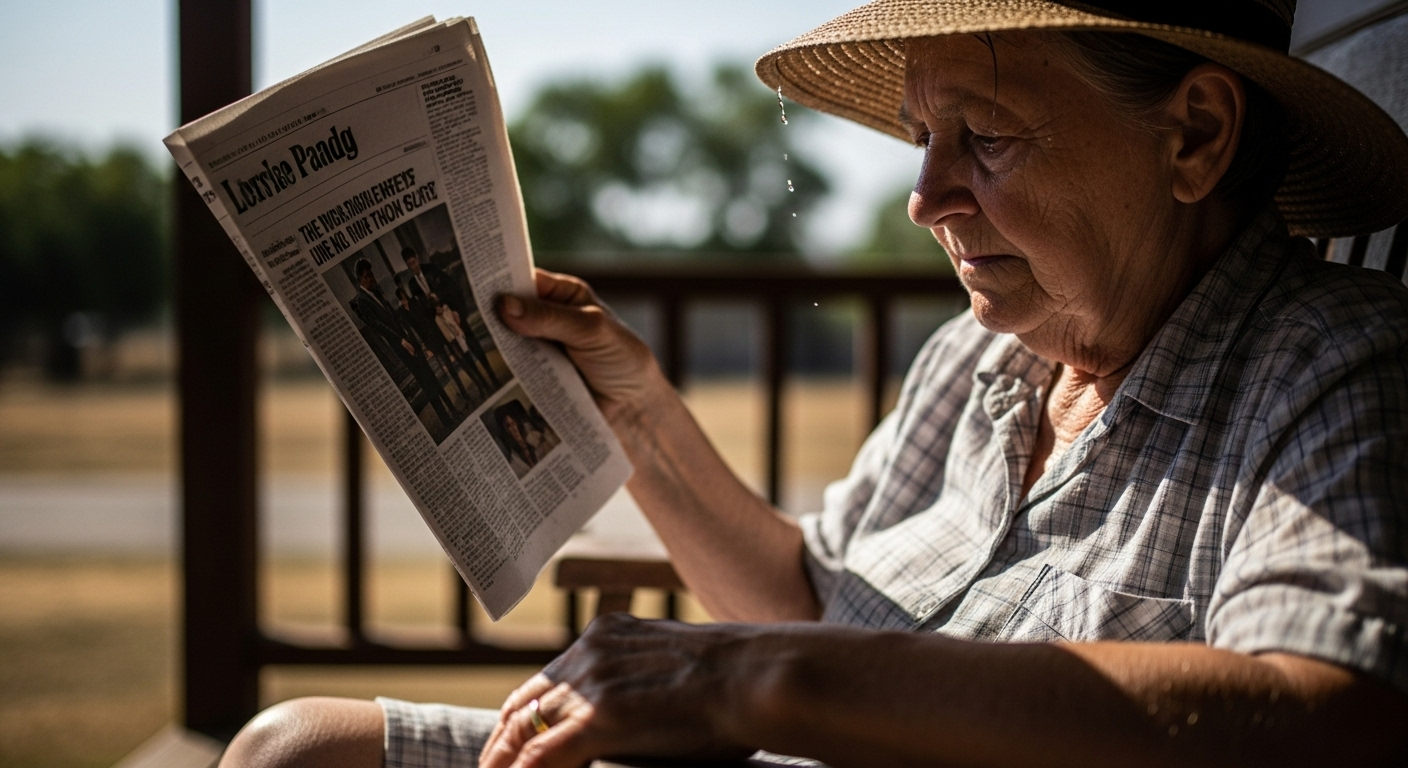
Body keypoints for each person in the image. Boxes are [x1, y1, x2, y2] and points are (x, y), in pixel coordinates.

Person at [221, 2, 1408, 766]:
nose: (924, 198)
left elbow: (1333, 710)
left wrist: (751, 678)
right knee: (296, 746)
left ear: (1193, 136)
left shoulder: (1333, 362)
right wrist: (634, 413)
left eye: (986, 138)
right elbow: (805, 597)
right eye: (922, 138)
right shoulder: (983, 360)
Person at [348, 258, 457, 429]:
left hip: (409, 339)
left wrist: (409, 333)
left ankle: (453, 410)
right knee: (426, 383)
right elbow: (378, 326)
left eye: (372, 274)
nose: (373, 278)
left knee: (432, 377)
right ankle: (446, 420)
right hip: (402, 346)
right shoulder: (362, 301)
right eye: (369, 275)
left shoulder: (376, 292)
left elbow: (393, 315)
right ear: (362, 278)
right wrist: (401, 340)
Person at [395, 287, 475, 404]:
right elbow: (412, 327)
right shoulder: (403, 311)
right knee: (444, 367)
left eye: (404, 294)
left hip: (435, 334)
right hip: (428, 341)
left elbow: (424, 318)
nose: (404, 297)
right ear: (400, 298)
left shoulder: (414, 302)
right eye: (402, 296)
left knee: (451, 361)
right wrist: (426, 346)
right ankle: (460, 391)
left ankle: (465, 388)